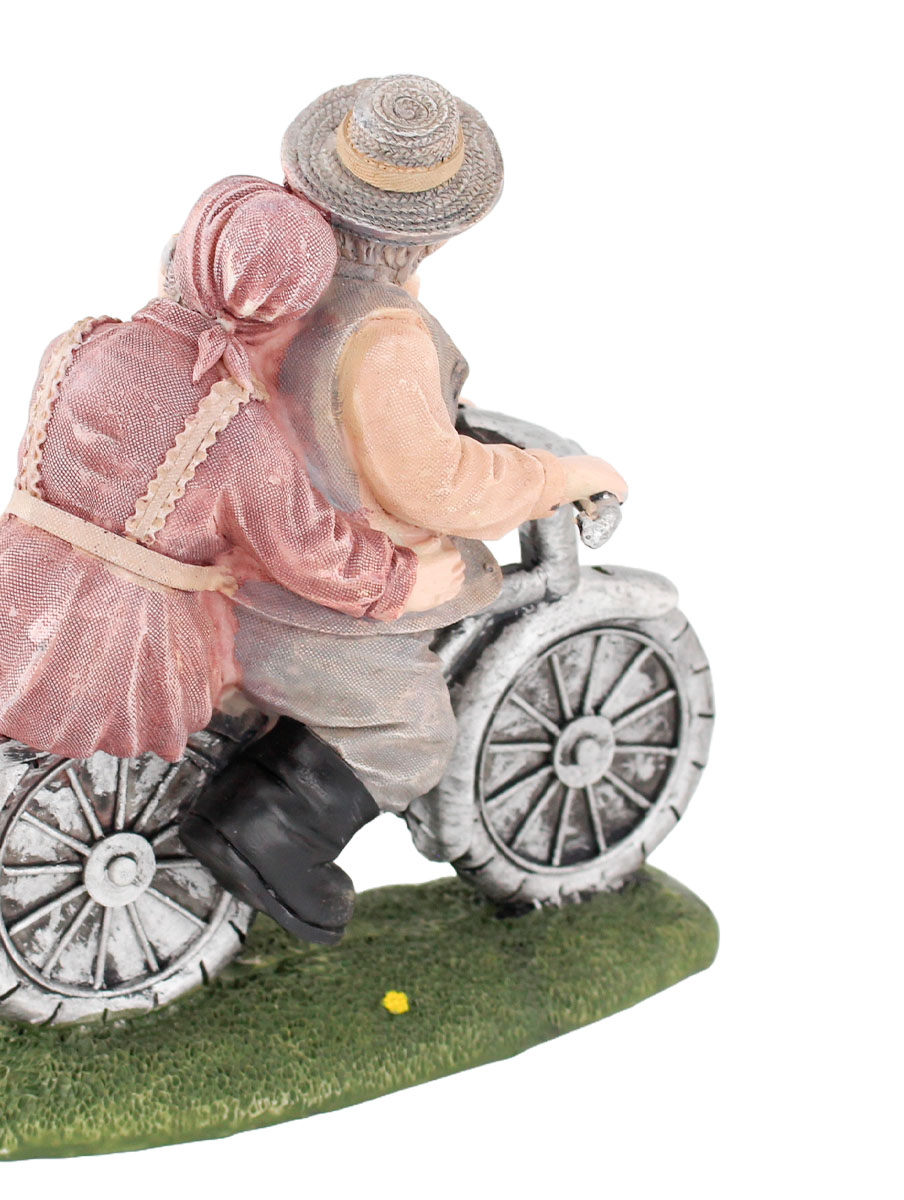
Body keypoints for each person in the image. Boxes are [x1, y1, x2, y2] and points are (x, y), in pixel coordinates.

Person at [0, 175, 463, 859]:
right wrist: (401, 580)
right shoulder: (240, 429)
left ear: (183, 255)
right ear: (287, 312)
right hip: (119, 623)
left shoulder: (80, 345)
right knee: (216, 694)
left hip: (7, 569)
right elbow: (307, 548)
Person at [180, 77, 629, 944]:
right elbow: (440, 486)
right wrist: (554, 477)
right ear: (437, 230)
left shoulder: (267, 279)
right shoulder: (379, 333)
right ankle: (264, 831)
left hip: (228, 554)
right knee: (411, 730)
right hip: (312, 595)